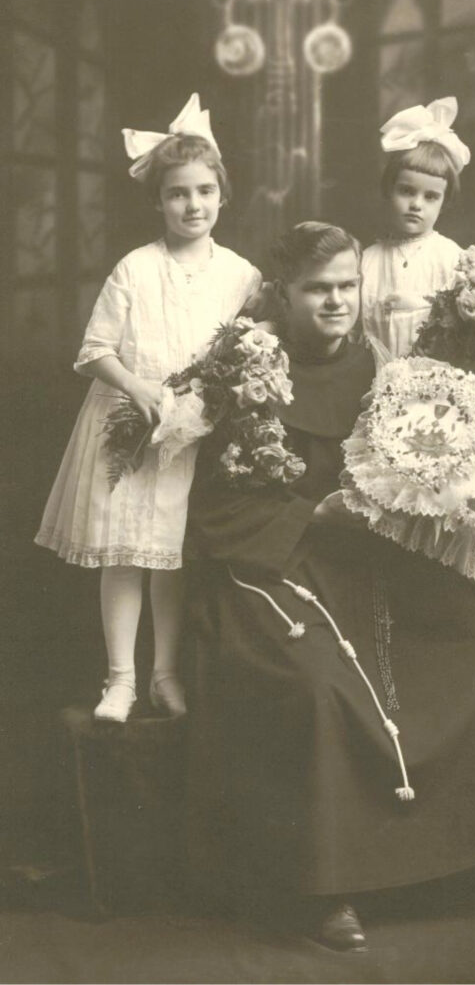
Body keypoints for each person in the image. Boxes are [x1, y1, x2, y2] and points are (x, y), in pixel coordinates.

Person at [184, 221, 475, 952]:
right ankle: (330, 887)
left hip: (373, 553)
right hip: (275, 562)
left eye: (347, 287)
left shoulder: (382, 365)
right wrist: (309, 515)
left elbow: (413, 461)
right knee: (317, 681)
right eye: (317, 290)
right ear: (282, 295)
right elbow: (216, 504)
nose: (335, 303)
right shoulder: (245, 368)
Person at [34, 94, 261, 723]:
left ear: (223, 195)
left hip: (196, 435)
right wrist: (140, 391)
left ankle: (165, 675)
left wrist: (210, 403)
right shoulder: (135, 268)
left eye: (204, 191)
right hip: (131, 429)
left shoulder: (241, 275)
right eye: (178, 194)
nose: (193, 205)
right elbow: (94, 350)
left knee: (172, 555)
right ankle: (121, 680)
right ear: (158, 201)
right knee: (126, 553)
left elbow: (251, 349)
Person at [360, 97, 468, 359]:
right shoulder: (367, 260)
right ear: (389, 190)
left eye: (430, 196)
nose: (416, 205)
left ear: (444, 203)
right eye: (407, 191)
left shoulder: (452, 258)